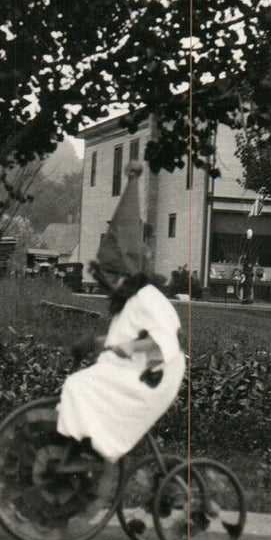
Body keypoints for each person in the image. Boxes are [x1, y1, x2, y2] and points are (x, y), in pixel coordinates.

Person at [57, 162, 186, 464]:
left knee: (82, 386)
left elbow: (162, 343)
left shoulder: (148, 298)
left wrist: (125, 348)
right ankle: (88, 452)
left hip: (156, 373)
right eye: (109, 278)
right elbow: (125, 337)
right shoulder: (129, 302)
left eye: (117, 277)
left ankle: (91, 455)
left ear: (130, 274)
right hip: (139, 368)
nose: (113, 285)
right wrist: (98, 344)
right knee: (84, 384)